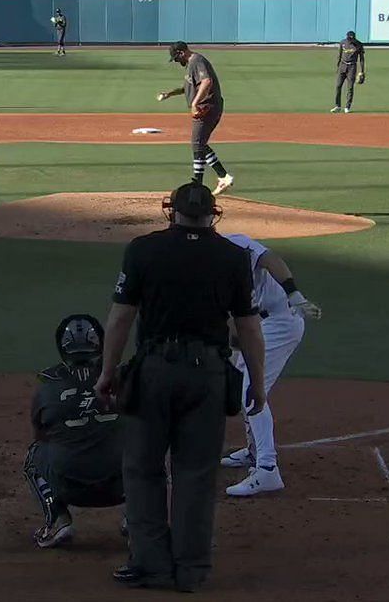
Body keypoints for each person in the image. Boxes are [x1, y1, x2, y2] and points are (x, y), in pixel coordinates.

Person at [95, 182, 267, 593]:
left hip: (153, 370)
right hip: (207, 374)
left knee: (142, 469)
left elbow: (120, 319)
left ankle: (151, 564)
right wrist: (258, 386)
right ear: (214, 213)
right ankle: (189, 570)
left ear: (171, 210)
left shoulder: (143, 249)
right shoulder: (232, 257)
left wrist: (107, 372)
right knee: (195, 472)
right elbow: (248, 329)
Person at [218, 234, 322, 496]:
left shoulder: (234, 243)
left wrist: (295, 294)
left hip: (280, 322)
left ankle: (267, 469)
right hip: (255, 325)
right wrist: (232, 348)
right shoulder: (205, 265)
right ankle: (254, 452)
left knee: (250, 388)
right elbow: (231, 317)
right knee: (242, 383)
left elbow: (271, 260)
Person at [23, 314, 126, 548]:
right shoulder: (124, 380)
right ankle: (139, 517)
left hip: (70, 488)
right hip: (123, 487)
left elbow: (41, 437)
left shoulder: (47, 388)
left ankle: (57, 519)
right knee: (152, 446)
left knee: (34, 455)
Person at [156, 42, 234, 196]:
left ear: (181, 53)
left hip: (207, 107)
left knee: (197, 144)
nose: (177, 62)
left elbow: (207, 82)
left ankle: (198, 184)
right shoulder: (191, 65)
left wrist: (195, 103)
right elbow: (188, 87)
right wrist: (169, 93)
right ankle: (223, 176)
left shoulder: (197, 61)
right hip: (207, 107)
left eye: (176, 58)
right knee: (200, 144)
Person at [332, 30, 365, 114]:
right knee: (338, 86)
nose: (351, 41)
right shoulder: (343, 43)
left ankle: (347, 106)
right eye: (349, 39)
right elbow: (339, 55)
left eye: (352, 39)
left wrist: (362, 71)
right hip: (342, 66)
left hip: (352, 67)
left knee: (350, 87)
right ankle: (337, 106)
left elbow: (361, 58)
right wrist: (338, 67)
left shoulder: (359, 44)